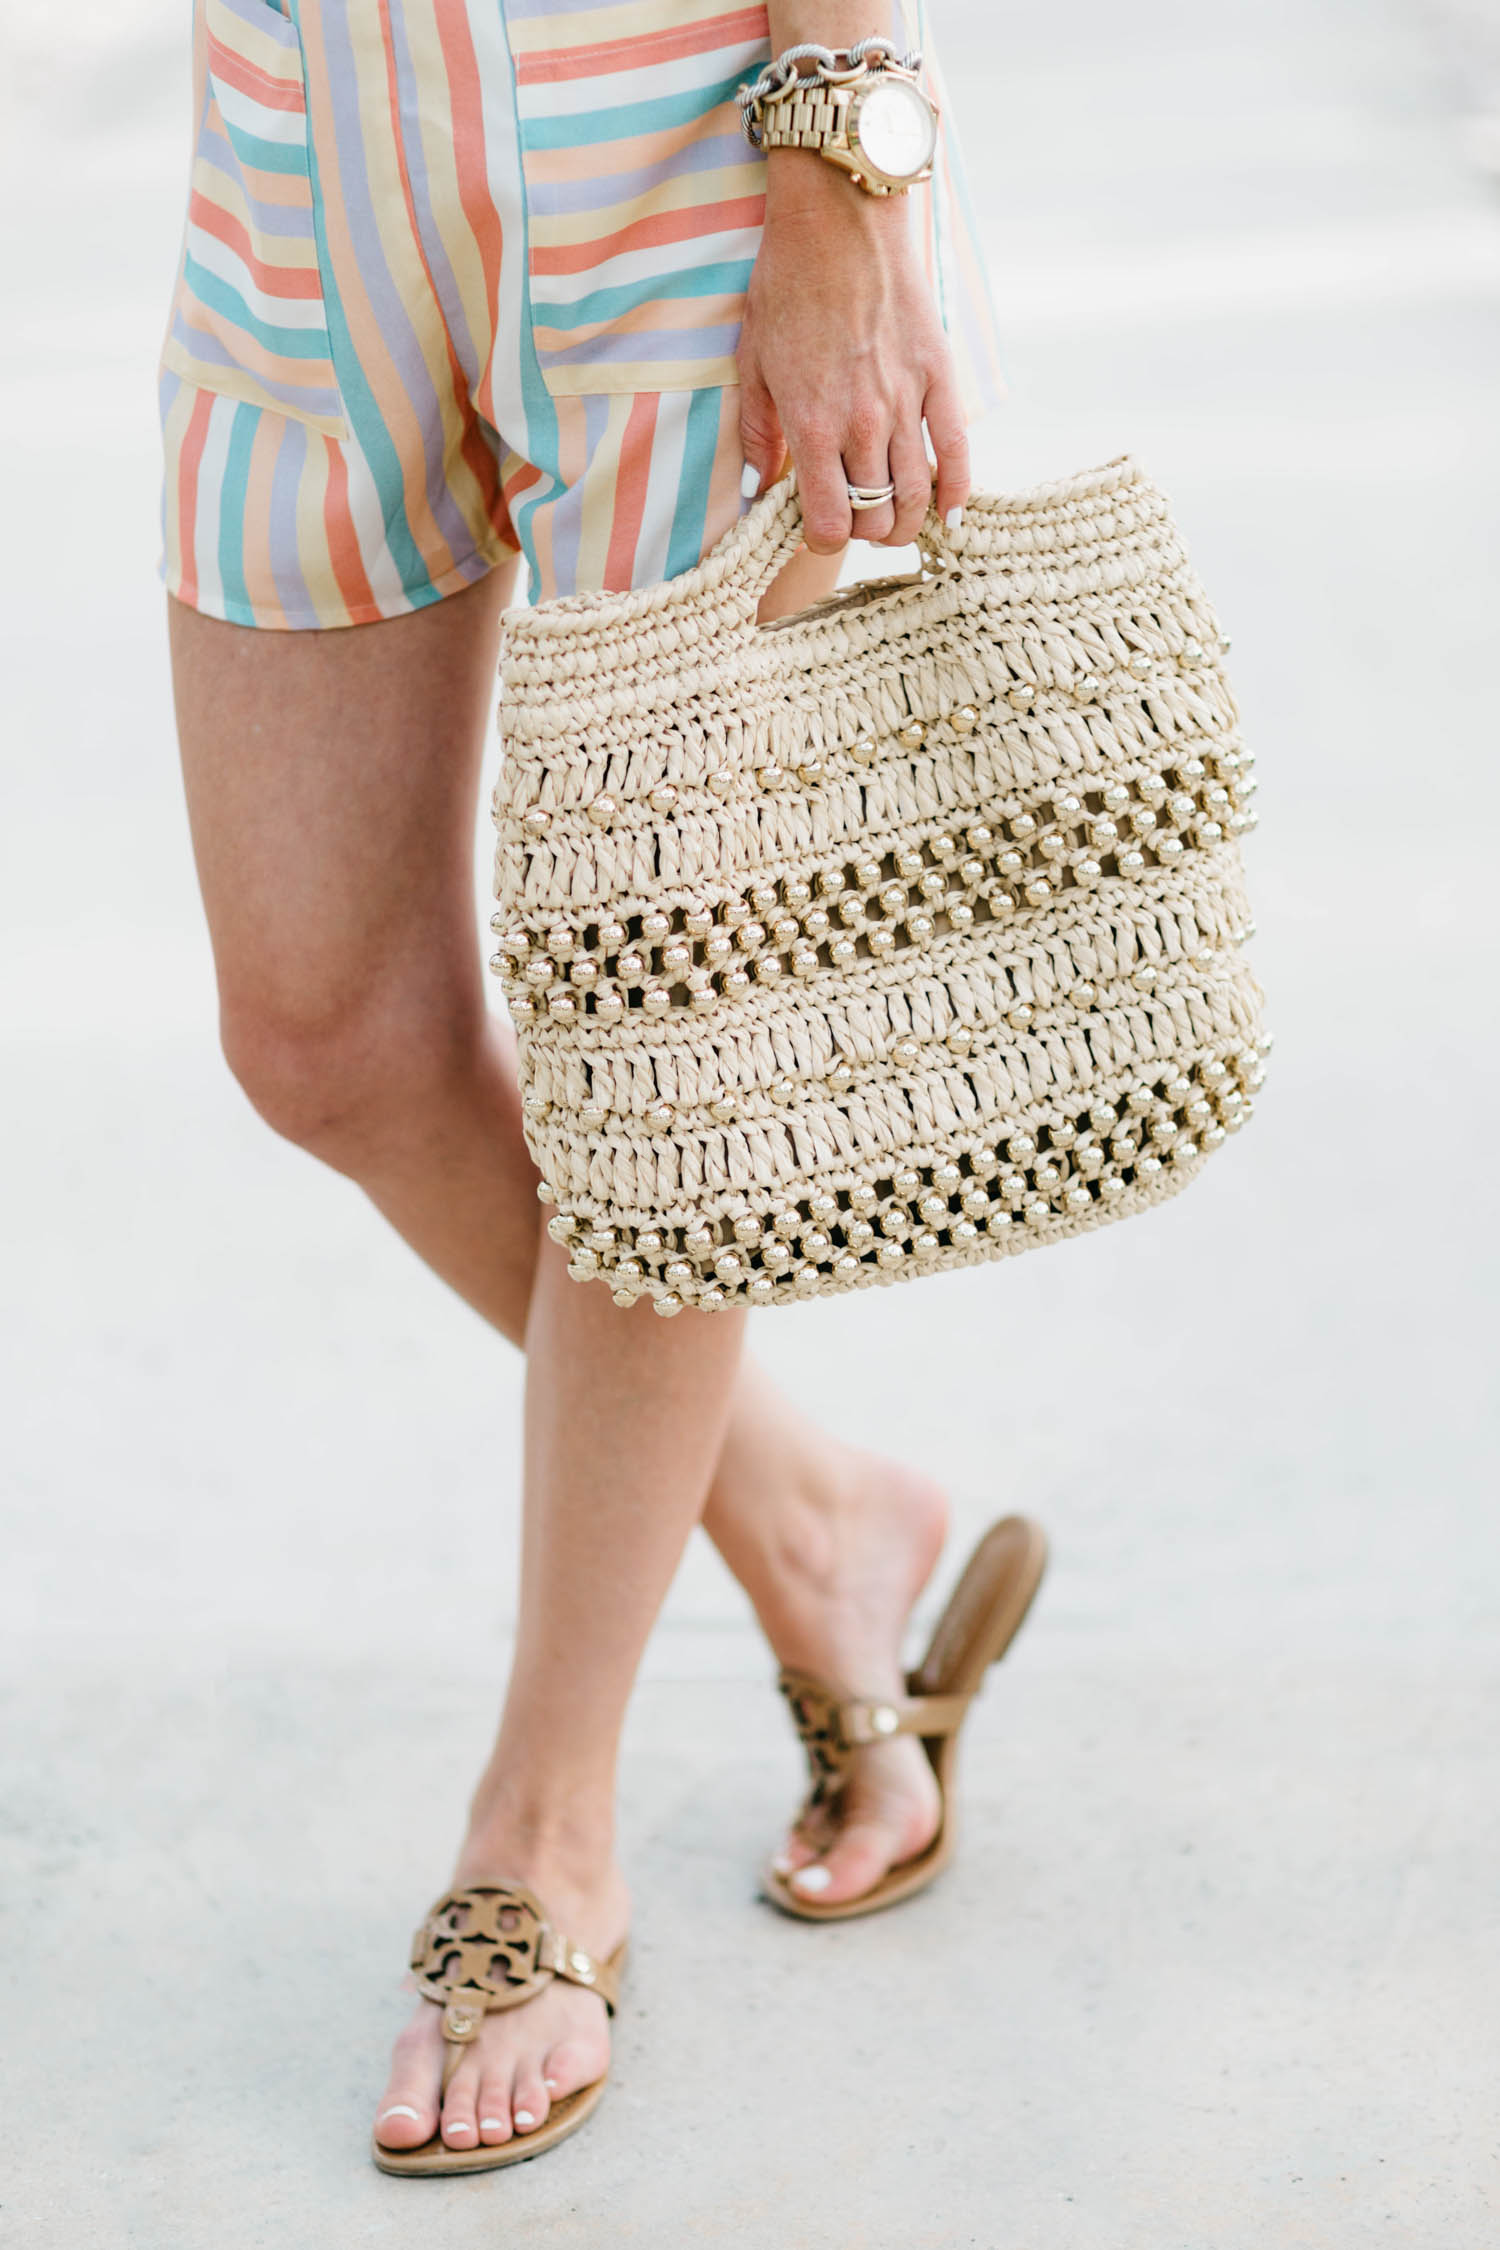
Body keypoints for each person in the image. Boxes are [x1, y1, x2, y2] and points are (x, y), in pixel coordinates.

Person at [160, 0, 1039, 2173]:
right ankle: (819, 1517)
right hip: (299, 137)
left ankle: (548, 1828)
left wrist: (843, 166)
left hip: (666, 137)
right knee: (325, 1034)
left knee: (662, 1062)